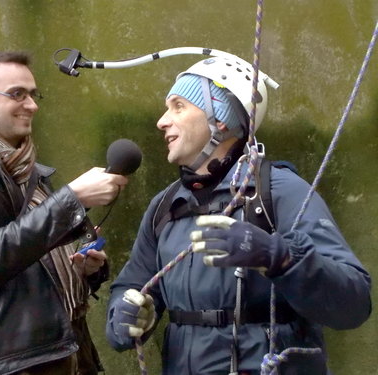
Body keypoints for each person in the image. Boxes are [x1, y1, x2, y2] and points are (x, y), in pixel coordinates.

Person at [105, 51, 371, 374]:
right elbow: (128, 289)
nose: (162, 121)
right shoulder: (164, 208)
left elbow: (354, 303)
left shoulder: (280, 191)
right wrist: (125, 316)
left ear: (221, 120)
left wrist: (280, 257)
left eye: (178, 106)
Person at [0, 51, 128, 375]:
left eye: (33, 94)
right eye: (17, 94)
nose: (32, 105)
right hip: (9, 362)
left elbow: (32, 263)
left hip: (66, 350)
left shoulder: (28, 169)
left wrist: (83, 270)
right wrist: (70, 200)